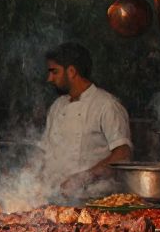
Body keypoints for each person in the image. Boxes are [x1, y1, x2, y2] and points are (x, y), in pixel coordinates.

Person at [38, 42, 132, 197]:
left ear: (72, 71)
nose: (49, 78)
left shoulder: (106, 105)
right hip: (56, 199)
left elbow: (123, 154)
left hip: (94, 199)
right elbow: (44, 152)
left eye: (54, 72)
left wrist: (83, 178)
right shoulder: (57, 106)